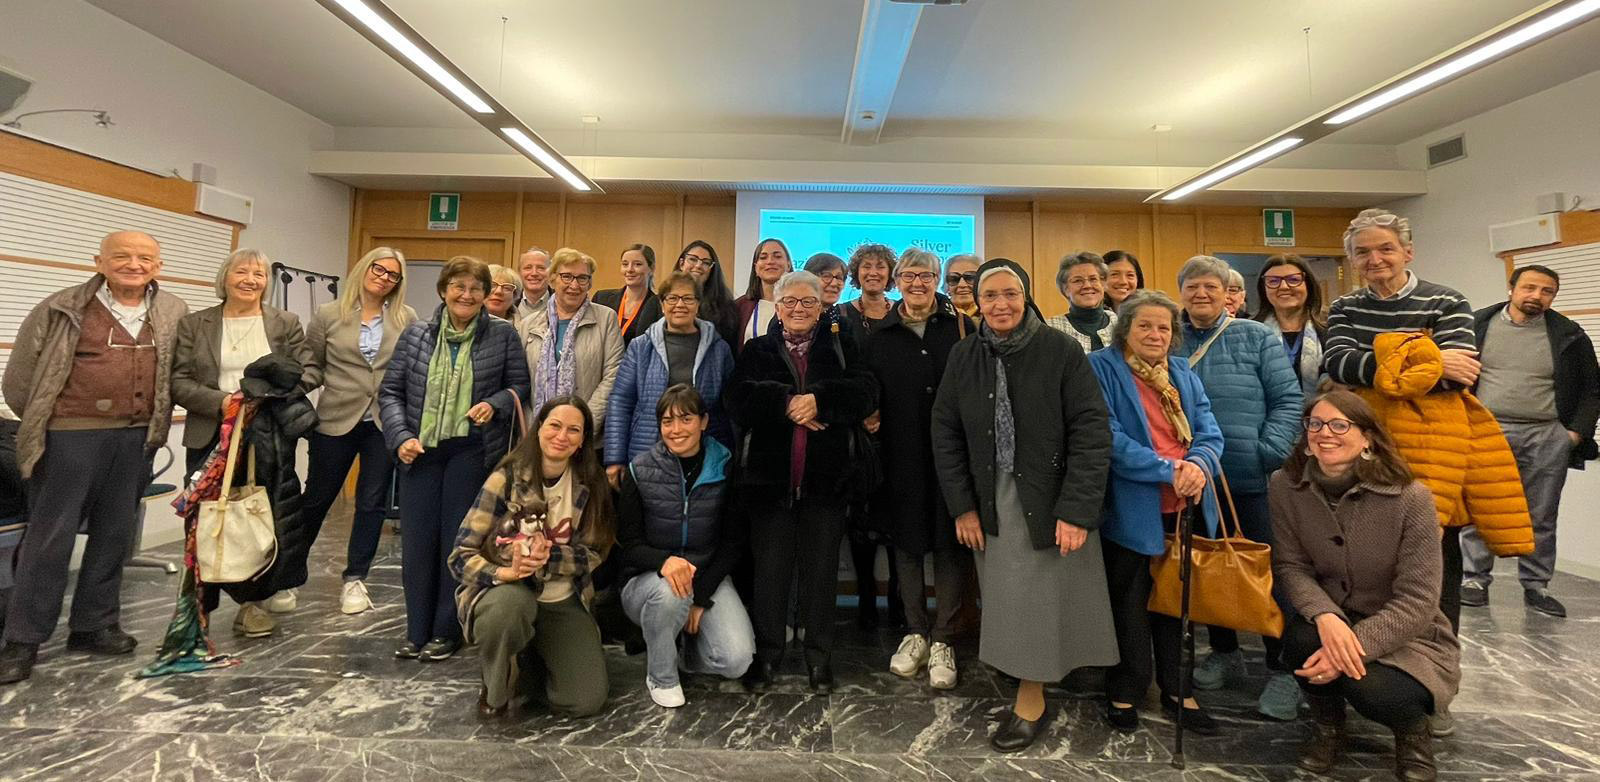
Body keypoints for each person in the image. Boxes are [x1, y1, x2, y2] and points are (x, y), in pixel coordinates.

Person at [931, 258, 1116, 753]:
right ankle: (1028, 675)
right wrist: (962, 507)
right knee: (1014, 601)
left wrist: (1076, 510)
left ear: (1026, 295)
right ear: (977, 302)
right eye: (990, 295)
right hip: (991, 497)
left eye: (1010, 293)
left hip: (1051, 495)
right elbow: (945, 432)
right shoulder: (964, 354)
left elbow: (1091, 430)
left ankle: (1031, 698)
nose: (1001, 304)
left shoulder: (1060, 349)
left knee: (1043, 599)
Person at [0, 230, 188, 685]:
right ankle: (23, 639)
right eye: (121, 256)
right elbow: (20, 378)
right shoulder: (61, 306)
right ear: (99, 261)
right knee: (50, 537)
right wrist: (52, 421)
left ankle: (95, 625)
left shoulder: (173, 310)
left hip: (138, 437)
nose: (134, 264)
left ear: (158, 266)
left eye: (145, 258)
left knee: (114, 533)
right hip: (68, 437)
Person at [1271, 389, 1459, 781]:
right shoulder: (1285, 486)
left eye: (1340, 425)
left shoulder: (1412, 498)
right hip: (1335, 615)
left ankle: (1413, 735)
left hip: (1408, 633)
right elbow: (1291, 566)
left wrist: (1353, 645)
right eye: (1315, 424)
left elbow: (1419, 600)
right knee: (1300, 641)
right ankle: (1329, 728)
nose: (1325, 433)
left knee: (1371, 688)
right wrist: (1326, 617)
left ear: (1368, 438)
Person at [727, 270, 878, 695]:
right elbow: (736, 398)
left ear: (821, 306)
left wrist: (821, 401)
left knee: (821, 575)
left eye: (808, 301)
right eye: (790, 301)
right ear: (777, 307)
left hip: (827, 483)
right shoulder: (757, 349)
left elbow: (866, 391)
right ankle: (767, 656)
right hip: (769, 484)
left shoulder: (843, 345)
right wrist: (787, 403)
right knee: (770, 574)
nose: (798, 309)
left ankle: (819, 660)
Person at [1170, 255, 1304, 720]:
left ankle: (1284, 667)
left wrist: (1268, 451)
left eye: (1210, 285)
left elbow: (1288, 399)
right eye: (1192, 286)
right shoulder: (1170, 337)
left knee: (1268, 574)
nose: (1201, 294)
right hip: (1191, 481)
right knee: (1209, 571)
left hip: (1248, 478)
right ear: (1181, 292)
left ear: (1227, 291)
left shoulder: (1256, 336)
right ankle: (1224, 650)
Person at [379, 255, 530, 663]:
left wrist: (494, 404)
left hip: (472, 451)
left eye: (476, 288)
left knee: (457, 541)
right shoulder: (415, 335)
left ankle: (447, 629)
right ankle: (416, 630)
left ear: (486, 295)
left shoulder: (502, 335)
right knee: (417, 543)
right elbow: (390, 392)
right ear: (443, 290)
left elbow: (519, 386)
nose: (467, 294)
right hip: (420, 452)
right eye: (459, 286)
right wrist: (401, 437)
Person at [1088, 290, 1226, 734]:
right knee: (1129, 604)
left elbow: (1209, 431)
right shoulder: (1101, 368)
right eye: (1144, 325)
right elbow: (1107, 437)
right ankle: (1125, 688)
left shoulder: (1182, 372)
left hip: (1185, 506)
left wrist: (1198, 465)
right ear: (1124, 330)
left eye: (1163, 327)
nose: (1155, 334)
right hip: (1131, 507)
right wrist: (1169, 470)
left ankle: (1179, 689)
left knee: (1177, 604)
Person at [170, 248, 314, 637]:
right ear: (225, 277)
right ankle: (197, 608)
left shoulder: (285, 323)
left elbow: (310, 370)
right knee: (205, 518)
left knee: (259, 516)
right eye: (242, 272)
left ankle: (253, 604)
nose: (250, 279)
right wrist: (224, 403)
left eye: (259, 274)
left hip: (267, 434)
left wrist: (267, 396)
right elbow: (179, 381)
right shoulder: (194, 324)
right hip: (211, 433)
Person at [449, 395, 613, 719]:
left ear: (583, 440)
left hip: (562, 596)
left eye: (573, 430)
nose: (561, 436)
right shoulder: (506, 477)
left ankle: (531, 663)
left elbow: (595, 552)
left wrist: (550, 557)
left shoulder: (591, 484)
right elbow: (460, 556)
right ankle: (496, 684)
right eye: (554, 425)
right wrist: (503, 572)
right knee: (508, 611)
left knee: (585, 701)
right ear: (538, 428)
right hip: (508, 591)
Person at [862, 248, 974, 690]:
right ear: (896, 281)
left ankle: (944, 638)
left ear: (937, 280)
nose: (917, 283)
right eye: (908, 275)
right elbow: (869, 391)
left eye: (926, 275)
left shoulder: (961, 329)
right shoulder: (879, 336)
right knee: (906, 545)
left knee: (949, 545)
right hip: (900, 455)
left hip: (953, 456)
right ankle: (915, 633)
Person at [1461, 265, 1599, 618]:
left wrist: (1574, 434)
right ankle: (1474, 580)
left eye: (1546, 291)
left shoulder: (1569, 335)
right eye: (1529, 287)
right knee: (1481, 508)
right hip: (1487, 430)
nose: (1536, 296)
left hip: (1546, 435)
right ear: (1511, 288)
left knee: (1541, 513)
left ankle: (1537, 586)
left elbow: (1592, 390)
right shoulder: (1476, 325)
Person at [294, 247, 418, 615]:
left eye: (393, 274)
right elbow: (312, 364)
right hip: (335, 418)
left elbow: (410, 370)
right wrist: (289, 391)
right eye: (379, 269)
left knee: (371, 502)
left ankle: (355, 579)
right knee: (317, 499)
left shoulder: (406, 317)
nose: (384, 278)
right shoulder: (329, 314)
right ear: (364, 268)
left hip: (383, 422)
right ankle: (288, 575)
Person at [617, 385, 755, 708]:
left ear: (703, 422)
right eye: (667, 421)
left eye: (686, 419)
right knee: (670, 591)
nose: (676, 429)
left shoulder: (726, 465)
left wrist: (701, 597)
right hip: (647, 583)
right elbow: (629, 544)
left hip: (706, 576)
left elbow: (733, 543)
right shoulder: (640, 469)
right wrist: (664, 563)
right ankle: (661, 677)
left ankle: (681, 653)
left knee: (736, 660)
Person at [603, 271, 735, 481]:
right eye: (672, 298)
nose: (680, 304)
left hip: (705, 455)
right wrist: (615, 458)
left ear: (698, 304)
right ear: (662, 304)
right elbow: (621, 401)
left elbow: (728, 407)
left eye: (688, 298)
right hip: (647, 450)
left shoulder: (719, 349)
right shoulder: (641, 347)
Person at [519, 248, 624, 423]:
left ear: (589, 283)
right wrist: (536, 426)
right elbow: (519, 381)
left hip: (586, 428)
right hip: (538, 428)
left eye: (582, 278)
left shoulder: (606, 319)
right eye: (566, 276)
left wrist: (583, 423)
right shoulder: (528, 325)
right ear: (552, 280)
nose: (574, 285)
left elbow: (613, 375)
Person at [1254, 254, 1327, 396]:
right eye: (1273, 281)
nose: (1283, 286)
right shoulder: (1251, 330)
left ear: (1308, 284)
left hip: (1322, 407)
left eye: (1293, 280)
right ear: (1264, 288)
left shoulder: (1331, 326)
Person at [1045, 251, 1117, 352]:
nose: (1087, 286)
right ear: (1065, 288)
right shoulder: (1050, 329)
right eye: (1077, 281)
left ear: (1104, 284)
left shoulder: (1120, 323)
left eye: (1093, 279)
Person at [592, 244, 663, 345]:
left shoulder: (659, 306)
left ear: (652, 268)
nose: (629, 269)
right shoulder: (601, 299)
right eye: (625, 264)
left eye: (637, 264)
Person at [674, 240, 739, 350]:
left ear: (712, 270)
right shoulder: (659, 302)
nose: (698, 265)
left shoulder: (725, 307)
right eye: (693, 259)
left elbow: (729, 349)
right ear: (681, 263)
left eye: (706, 263)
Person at [734, 238, 791, 349]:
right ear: (755, 267)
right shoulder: (739, 307)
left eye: (777, 256)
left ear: (788, 265)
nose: (770, 261)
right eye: (763, 257)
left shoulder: (799, 306)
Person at [838, 243, 896, 338]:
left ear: (890, 273)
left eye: (880, 267)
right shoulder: (840, 313)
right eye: (866, 267)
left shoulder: (903, 311)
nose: (873, 273)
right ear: (857, 272)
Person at [944, 253, 981, 322]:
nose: (962, 285)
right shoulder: (938, 316)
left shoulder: (992, 315)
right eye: (954, 278)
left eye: (970, 278)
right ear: (947, 286)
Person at [518, 247, 551, 315]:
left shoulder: (563, 303)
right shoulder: (507, 303)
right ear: (519, 272)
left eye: (541, 268)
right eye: (528, 268)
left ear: (551, 272)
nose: (534, 273)